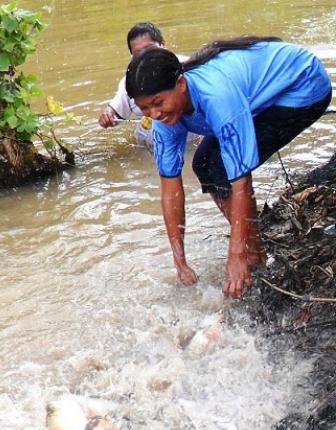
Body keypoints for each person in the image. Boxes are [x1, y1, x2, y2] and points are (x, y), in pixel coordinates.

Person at [125, 37, 331, 297]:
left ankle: (253, 256)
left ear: (180, 84)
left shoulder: (217, 96)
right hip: (259, 93)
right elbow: (170, 187)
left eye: (158, 103)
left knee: (222, 168)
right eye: (145, 108)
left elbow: (241, 180)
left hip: (302, 86)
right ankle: (255, 250)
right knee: (204, 164)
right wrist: (180, 261)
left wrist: (236, 256)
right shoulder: (162, 119)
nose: (154, 114)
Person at [98, 22, 167, 147]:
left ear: (163, 45)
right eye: (138, 54)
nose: (145, 57)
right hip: (147, 146)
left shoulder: (187, 70)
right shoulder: (130, 81)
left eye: (150, 49)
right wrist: (108, 116)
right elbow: (116, 110)